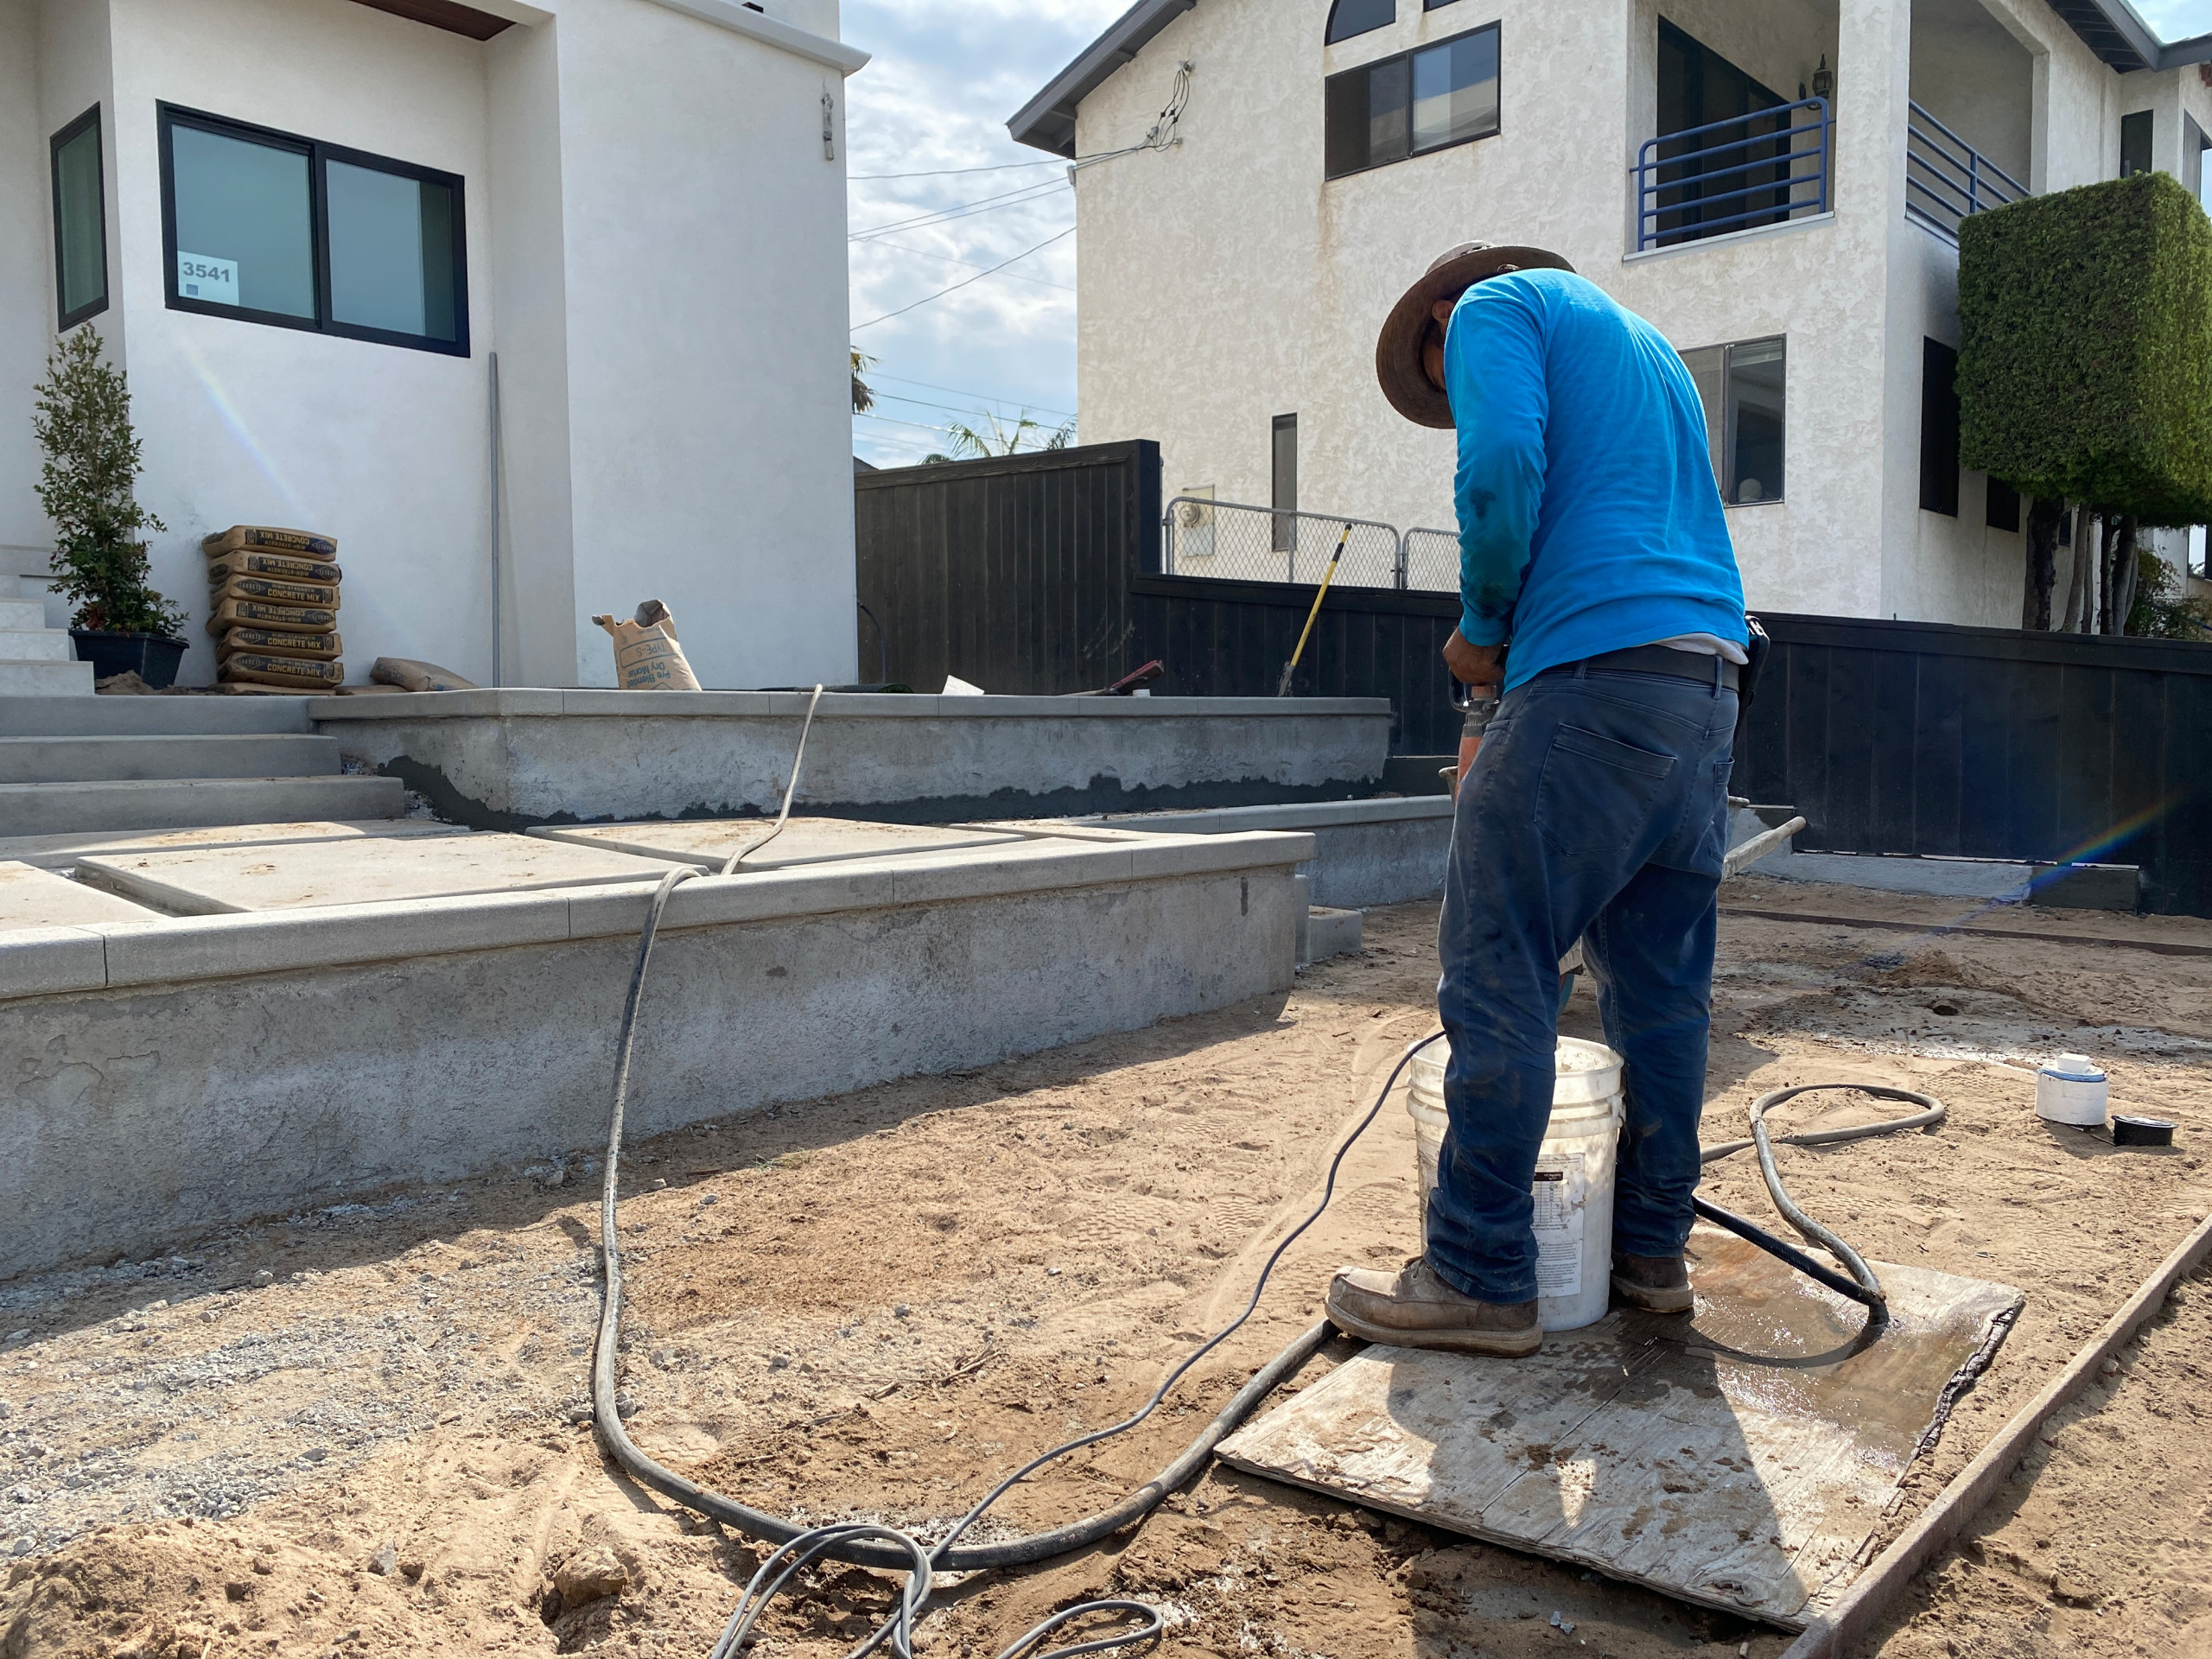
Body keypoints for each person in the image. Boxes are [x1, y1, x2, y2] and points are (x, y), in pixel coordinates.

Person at [1325, 242, 1750, 1357]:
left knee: (1501, 964)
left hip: (1592, 677)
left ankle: (1478, 1272)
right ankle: (1652, 1254)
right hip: (1704, 684)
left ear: (1436, 325)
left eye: (1441, 378)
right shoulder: (1653, 356)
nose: (1452, 389)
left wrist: (1481, 628)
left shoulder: (1488, 310)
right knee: (1661, 994)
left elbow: (1503, 467)